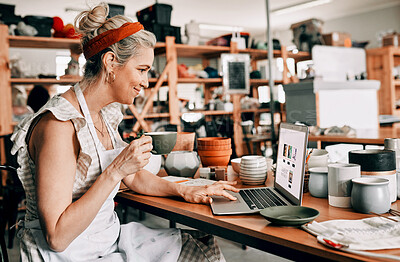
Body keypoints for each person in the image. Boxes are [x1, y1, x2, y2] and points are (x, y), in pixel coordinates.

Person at [11, 3, 239, 261]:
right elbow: (57, 236)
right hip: (72, 254)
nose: (146, 81)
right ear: (111, 63)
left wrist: (185, 190)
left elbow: (134, 178)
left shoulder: (102, 114)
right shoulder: (59, 126)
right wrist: (116, 170)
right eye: (142, 70)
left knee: (201, 246)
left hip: (104, 241)